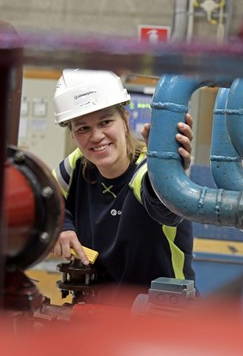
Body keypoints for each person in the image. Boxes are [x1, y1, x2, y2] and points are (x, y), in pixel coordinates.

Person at [51, 69, 195, 291]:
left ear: (125, 119)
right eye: (83, 128)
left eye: (106, 122)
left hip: (161, 310)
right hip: (98, 307)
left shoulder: (147, 169)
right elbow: (46, 197)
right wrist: (62, 227)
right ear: (72, 134)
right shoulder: (75, 166)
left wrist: (169, 174)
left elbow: (165, 210)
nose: (96, 136)